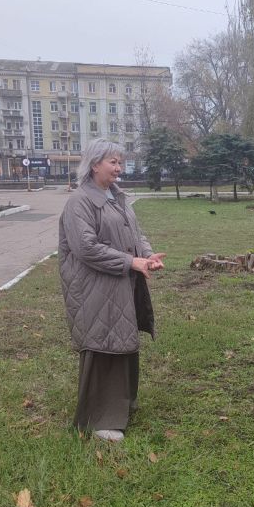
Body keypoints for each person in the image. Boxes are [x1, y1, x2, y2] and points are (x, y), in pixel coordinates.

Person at [58, 139, 166, 442]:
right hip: (94, 288)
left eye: (121, 162)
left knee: (122, 340)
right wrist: (131, 261)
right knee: (103, 343)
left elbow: (135, 232)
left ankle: (121, 406)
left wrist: (147, 255)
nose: (119, 168)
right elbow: (86, 248)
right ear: (95, 165)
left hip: (119, 282)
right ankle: (98, 419)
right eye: (113, 162)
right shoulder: (80, 201)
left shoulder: (116, 197)